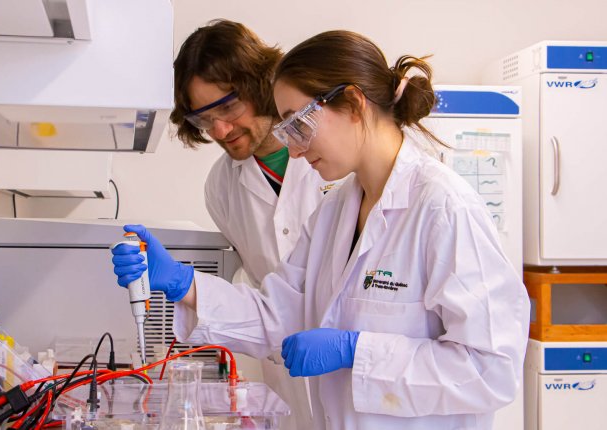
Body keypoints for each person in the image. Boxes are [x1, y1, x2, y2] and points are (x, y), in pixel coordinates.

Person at [112, 30, 530, 429]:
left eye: (298, 123)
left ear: (351, 103)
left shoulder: (442, 207)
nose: (293, 148)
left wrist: (356, 352)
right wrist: (184, 284)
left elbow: (491, 368)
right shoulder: (335, 212)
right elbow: (281, 315)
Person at [166, 20, 341, 430]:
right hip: (288, 373)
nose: (220, 131)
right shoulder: (221, 187)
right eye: (203, 120)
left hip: (362, 370)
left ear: (261, 84)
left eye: (227, 107)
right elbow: (267, 293)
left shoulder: (336, 158)